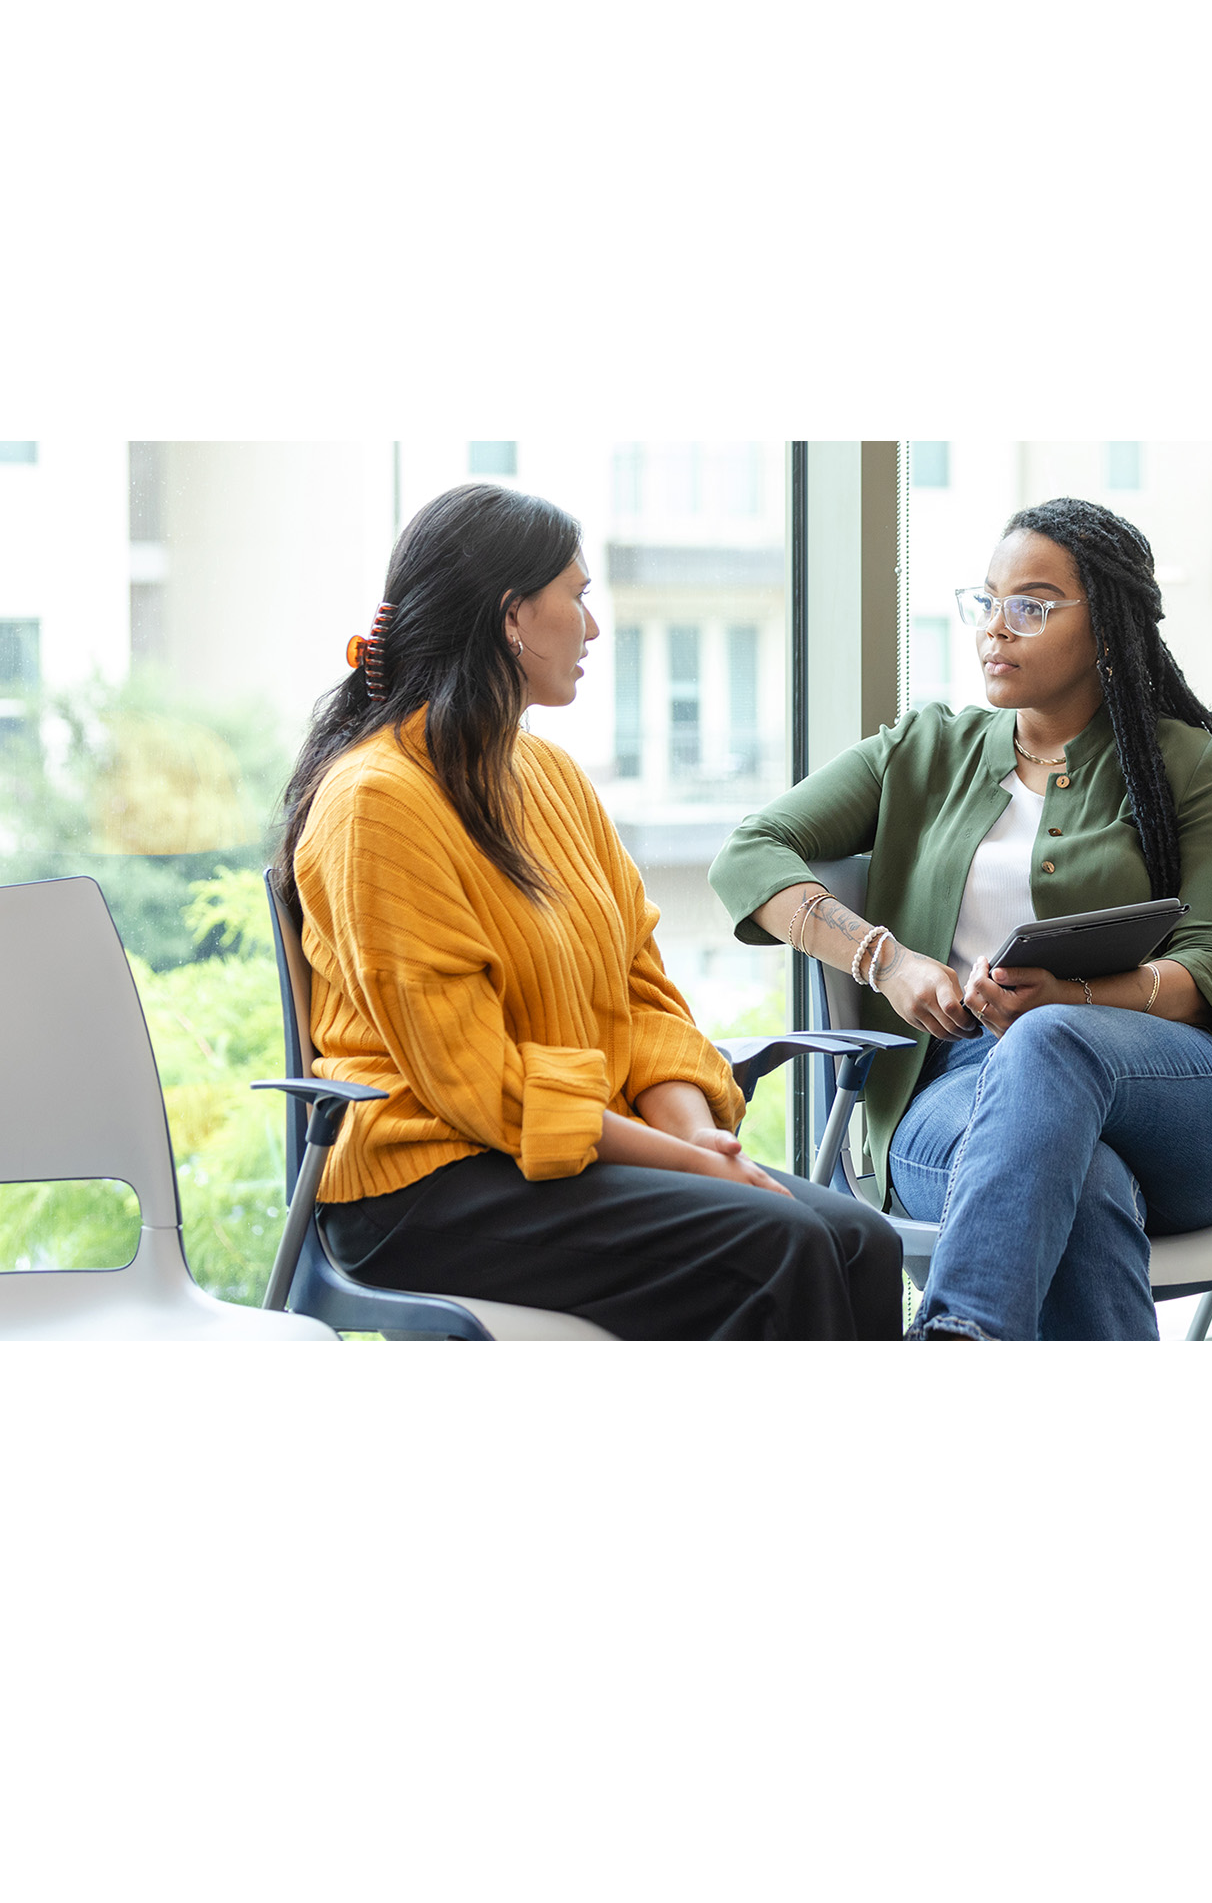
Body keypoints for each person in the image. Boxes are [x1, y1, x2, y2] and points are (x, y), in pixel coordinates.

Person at [275, 483, 903, 1341]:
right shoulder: (376, 801)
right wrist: (684, 1159)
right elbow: (474, 1081)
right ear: (512, 618)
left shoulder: (551, 778)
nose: (593, 628)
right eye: (577, 596)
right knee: (783, 1243)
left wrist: (705, 1147)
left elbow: (642, 997)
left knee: (861, 1239)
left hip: (560, 1157)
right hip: (423, 1184)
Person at [710, 495, 1212, 1341]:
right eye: (988, 602)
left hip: (1184, 1101)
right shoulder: (925, 749)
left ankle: (959, 1335)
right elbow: (750, 853)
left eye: (1030, 606)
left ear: (1107, 629)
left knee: (1049, 1040)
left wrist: (1079, 998)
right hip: (955, 1097)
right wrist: (885, 961)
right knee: (1084, 1185)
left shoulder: (1186, 759)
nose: (995, 629)